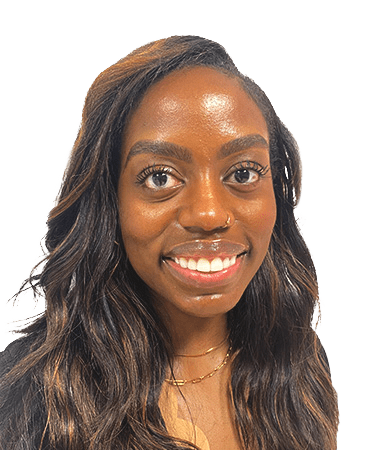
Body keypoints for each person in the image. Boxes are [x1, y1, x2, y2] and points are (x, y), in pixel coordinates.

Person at [0, 35, 339, 449]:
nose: (210, 215)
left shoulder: (296, 359)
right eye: (160, 177)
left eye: (244, 173)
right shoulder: (32, 395)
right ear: (111, 201)